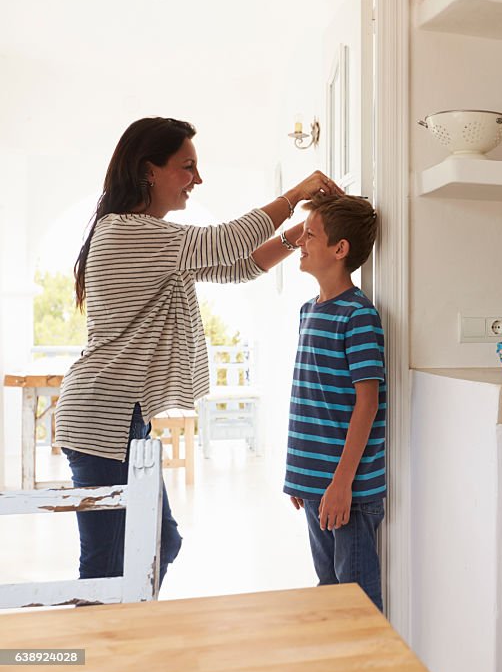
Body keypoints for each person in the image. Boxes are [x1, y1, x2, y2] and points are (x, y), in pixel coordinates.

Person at [54, 116, 343, 587]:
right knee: (107, 565)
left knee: (159, 543)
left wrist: (297, 235)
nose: (197, 179)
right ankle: (106, 654)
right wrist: (293, 197)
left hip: (124, 417)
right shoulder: (127, 231)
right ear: (149, 170)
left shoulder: (157, 242)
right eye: (187, 167)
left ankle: (128, 639)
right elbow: (226, 240)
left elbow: (238, 267)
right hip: (100, 417)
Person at [283, 193, 386, 611]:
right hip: (316, 486)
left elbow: (367, 404)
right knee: (329, 591)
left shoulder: (358, 315)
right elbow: (310, 397)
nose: (300, 242)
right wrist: (301, 477)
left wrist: (341, 484)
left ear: (339, 249)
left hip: (348, 491)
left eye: (310, 235)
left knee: (356, 601)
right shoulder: (309, 311)